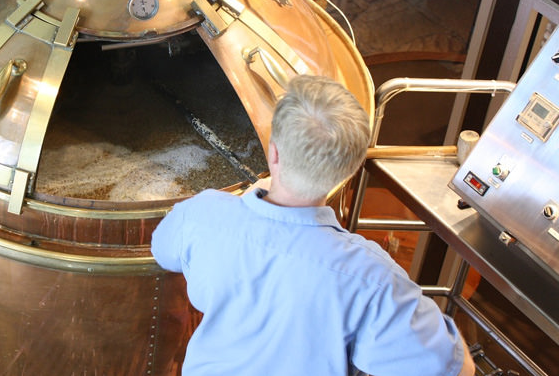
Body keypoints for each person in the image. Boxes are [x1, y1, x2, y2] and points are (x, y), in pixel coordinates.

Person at [151, 74, 475, 376]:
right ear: (350, 170)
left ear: (274, 154)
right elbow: (457, 369)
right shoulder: (372, 279)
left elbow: (162, 251)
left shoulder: (202, 214)